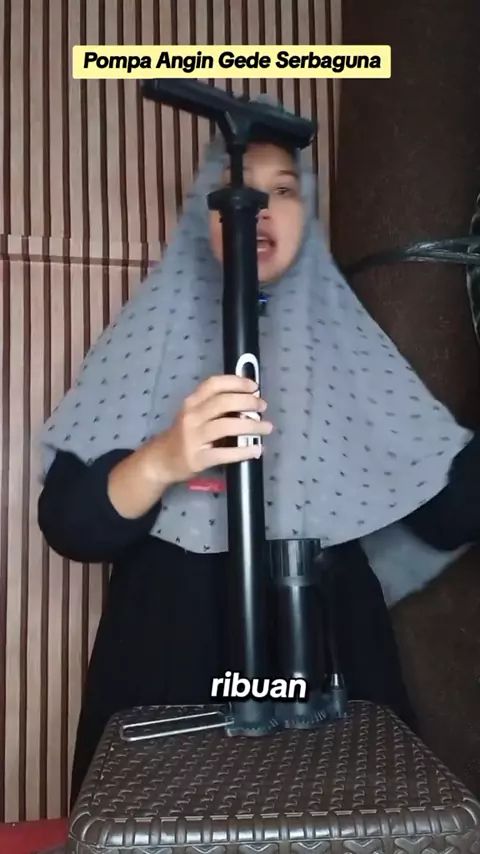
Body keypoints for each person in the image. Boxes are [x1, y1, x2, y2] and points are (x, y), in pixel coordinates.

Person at [38, 114, 476, 807]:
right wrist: (164, 457)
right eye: (237, 189)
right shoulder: (148, 333)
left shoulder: (348, 342)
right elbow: (69, 522)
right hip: (172, 656)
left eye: (285, 190)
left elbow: (450, 510)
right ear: (201, 215)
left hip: (331, 661)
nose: (259, 208)